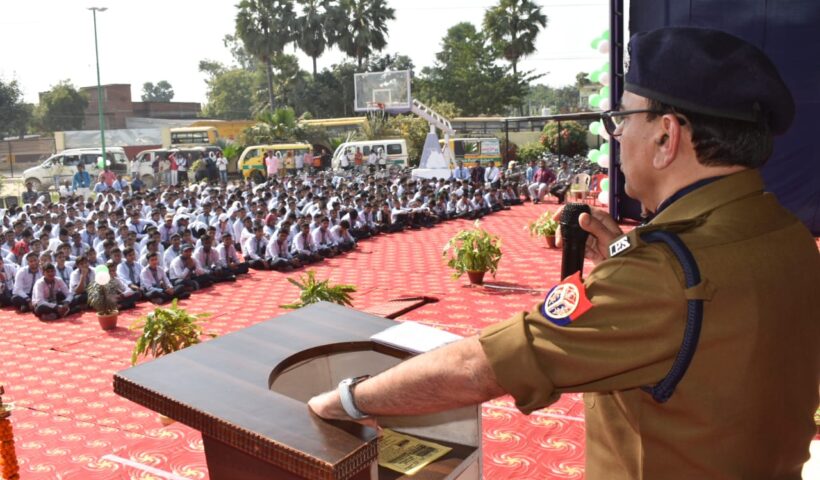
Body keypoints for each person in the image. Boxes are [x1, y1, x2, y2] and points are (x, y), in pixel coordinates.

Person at [307, 27, 820, 479]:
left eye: (622, 119)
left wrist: (348, 398)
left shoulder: (664, 272)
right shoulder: (785, 232)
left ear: (667, 135)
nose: (616, 135)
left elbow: (483, 365)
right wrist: (623, 254)